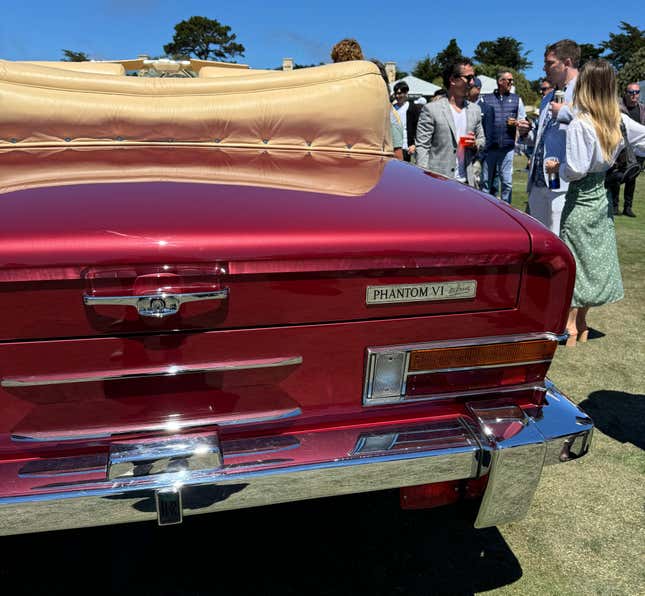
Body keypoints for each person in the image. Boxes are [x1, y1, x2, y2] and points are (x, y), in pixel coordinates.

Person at [544, 60, 645, 346]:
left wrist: (556, 167)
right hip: (601, 197)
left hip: (581, 197)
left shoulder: (581, 124)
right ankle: (583, 323)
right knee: (594, 259)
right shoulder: (617, 120)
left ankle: (569, 325)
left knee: (575, 259)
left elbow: (575, 169)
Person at [524, 39, 580, 235]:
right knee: (538, 239)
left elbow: (595, 123)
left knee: (558, 239)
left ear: (567, 62)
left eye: (549, 63)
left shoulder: (584, 91)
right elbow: (543, 134)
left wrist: (564, 113)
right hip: (539, 179)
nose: (544, 68)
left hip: (562, 182)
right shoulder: (548, 97)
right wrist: (526, 133)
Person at [415, 57, 485, 186]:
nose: (472, 82)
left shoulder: (475, 110)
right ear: (453, 80)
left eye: (473, 78)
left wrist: (475, 145)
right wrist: (423, 178)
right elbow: (422, 147)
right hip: (438, 182)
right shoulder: (431, 109)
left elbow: (482, 140)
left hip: (467, 182)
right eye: (468, 78)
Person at [479, 71, 530, 203]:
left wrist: (520, 123)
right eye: (509, 80)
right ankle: (485, 209)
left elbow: (523, 120)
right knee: (485, 182)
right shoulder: (486, 99)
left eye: (512, 80)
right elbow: (479, 120)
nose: (511, 83)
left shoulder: (517, 99)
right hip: (489, 147)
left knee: (507, 182)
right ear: (500, 81)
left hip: (507, 148)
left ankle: (507, 210)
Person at [605, 82, 645, 217]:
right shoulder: (618, 108)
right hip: (620, 150)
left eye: (637, 92)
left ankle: (628, 207)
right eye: (631, 92)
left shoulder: (643, 110)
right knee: (616, 177)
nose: (634, 95)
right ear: (626, 94)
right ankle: (615, 206)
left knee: (632, 178)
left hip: (637, 150)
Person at [469, 77, 495, 190]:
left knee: (480, 186)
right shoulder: (462, 106)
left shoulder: (486, 109)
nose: (467, 89)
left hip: (479, 156)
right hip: (464, 156)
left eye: (470, 87)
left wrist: (479, 158)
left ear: (478, 89)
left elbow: (488, 136)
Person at [392, 81, 423, 162]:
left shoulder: (412, 108)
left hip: (406, 147)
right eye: (396, 93)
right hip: (392, 146)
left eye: (400, 93)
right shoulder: (391, 108)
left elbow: (418, 127)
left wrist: (414, 144)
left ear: (406, 93)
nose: (397, 96)